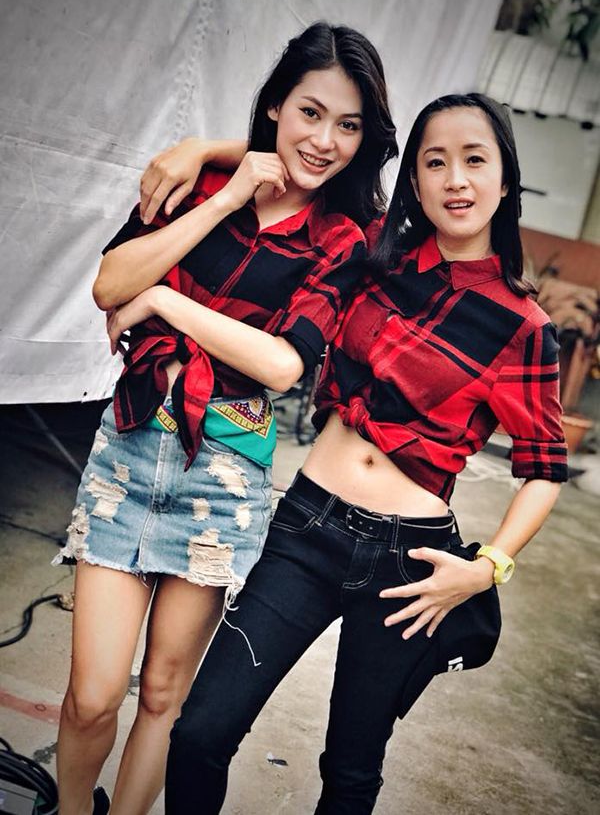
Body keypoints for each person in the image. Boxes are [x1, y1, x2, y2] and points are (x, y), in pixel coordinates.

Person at [154, 93, 568, 814]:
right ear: (415, 183)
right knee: (199, 734)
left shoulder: (524, 327)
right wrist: (203, 150)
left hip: (408, 567)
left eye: (475, 160)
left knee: (350, 772)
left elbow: (544, 470)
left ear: (506, 181)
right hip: (305, 529)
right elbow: (308, 166)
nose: (455, 180)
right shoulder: (371, 251)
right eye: (434, 162)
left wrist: (486, 567)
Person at [53, 22, 397, 815]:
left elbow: (282, 364)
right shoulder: (200, 182)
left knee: (163, 693)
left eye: (349, 125)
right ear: (275, 105)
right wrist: (227, 190)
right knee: (92, 695)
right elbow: (109, 283)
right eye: (310, 112)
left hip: (224, 474)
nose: (325, 141)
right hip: (130, 448)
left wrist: (165, 301)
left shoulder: (343, 239)